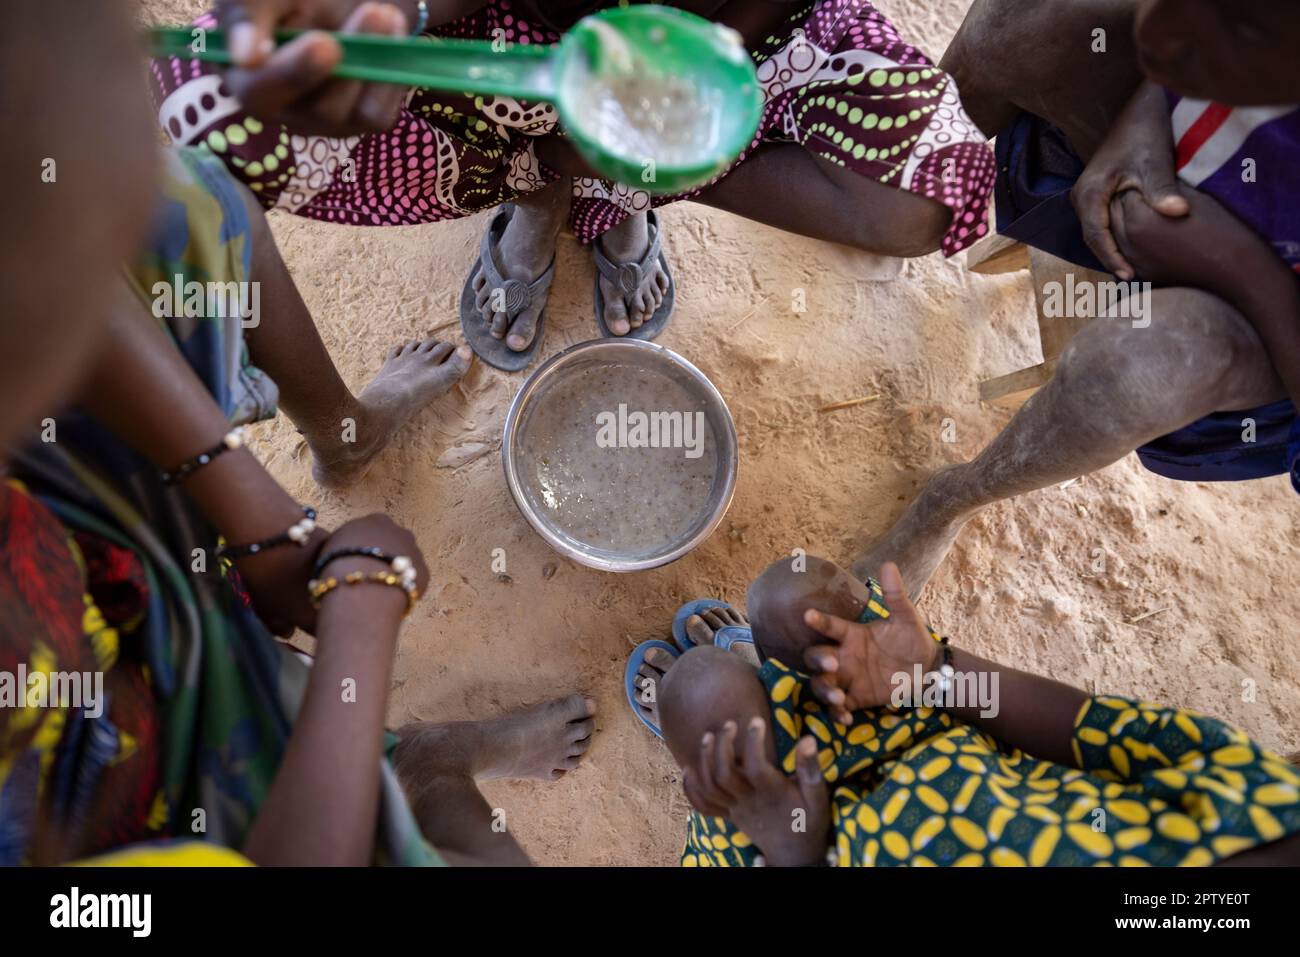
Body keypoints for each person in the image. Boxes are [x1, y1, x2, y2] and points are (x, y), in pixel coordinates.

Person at [0, 0, 594, 867]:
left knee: (186, 205)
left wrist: (252, 516)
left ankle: (345, 442)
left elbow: (70, 245)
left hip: (98, 556)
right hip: (141, 809)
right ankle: (409, 779)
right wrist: (360, 606)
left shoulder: (60, 236)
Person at [148, 0, 996, 369]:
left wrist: (688, 71)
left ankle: (636, 184)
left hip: (750, 31)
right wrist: (400, 17)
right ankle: (546, 190)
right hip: (508, 43)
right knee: (208, 109)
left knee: (919, 199)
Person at [852, 0, 1300, 594]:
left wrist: (1235, 263)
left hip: (1268, 327)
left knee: (1136, 370)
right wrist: (1142, 119)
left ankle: (950, 501)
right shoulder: (1190, 43)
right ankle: (905, 200)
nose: (1160, 36)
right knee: (1016, 28)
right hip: (1177, 173)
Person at [628, 556, 1300, 866]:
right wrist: (936, 675)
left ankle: (743, 717)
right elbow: (1092, 734)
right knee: (791, 593)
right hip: (921, 738)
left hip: (805, 841)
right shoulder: (1265, 810)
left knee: (700, 689)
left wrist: (792, 847)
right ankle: (773, 684)